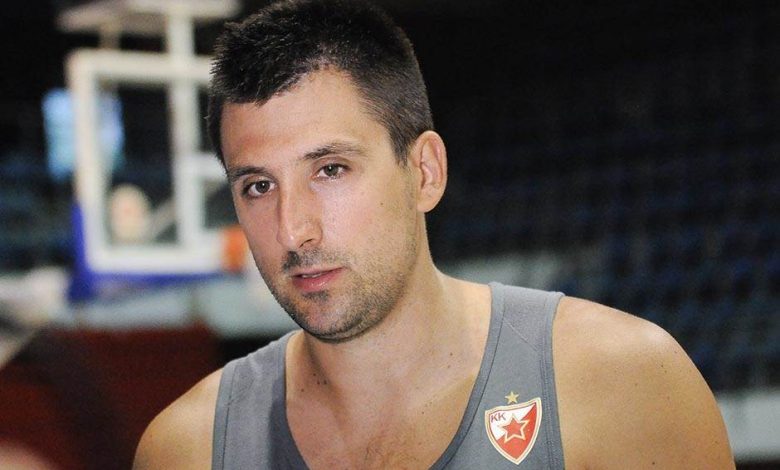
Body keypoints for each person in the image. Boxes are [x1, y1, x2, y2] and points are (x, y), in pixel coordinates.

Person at [134, 0, 735, 468]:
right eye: (258, 186)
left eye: (331, 170)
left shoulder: (623, 384)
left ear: (424, 172)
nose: (294, 230)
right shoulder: (187, 449)